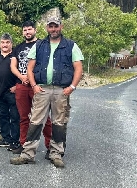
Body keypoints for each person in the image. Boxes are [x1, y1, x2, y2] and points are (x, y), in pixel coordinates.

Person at [11, 16, 84, 168]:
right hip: (42, 89)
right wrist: (34, 86)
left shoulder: (71, 46)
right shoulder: (39, 45)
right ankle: (28, 154)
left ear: (61, 27)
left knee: (59, 122)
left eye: (56, 26)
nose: (53, 29)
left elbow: (78, 68)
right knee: (35, 121)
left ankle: (56, 154)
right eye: (50, 26)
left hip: (61, 90)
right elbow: (30, 68)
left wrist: (72, 87)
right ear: (47, 28)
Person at [10, 21, 52, 154]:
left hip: (37, 86)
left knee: (44, 117)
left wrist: (32, 78)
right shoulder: (18, 47)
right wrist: (22, 77)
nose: (27, 32)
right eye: (25, 30)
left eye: (29, 29)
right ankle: (24, 144)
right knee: (24, 117)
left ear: (35, 30)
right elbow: (13, 66)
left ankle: (51, 146)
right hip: (21, 85)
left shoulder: (43, 45)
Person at [0, 33, 21, 152]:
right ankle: (6, 139)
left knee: (15, 117)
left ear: (11, 43)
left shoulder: (15, 56)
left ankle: (15, 140)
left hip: (12, 92)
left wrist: (17, 86)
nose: (5, 45)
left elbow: (22, 71)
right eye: (2, 42)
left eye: (7, 42)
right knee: (3, 116)